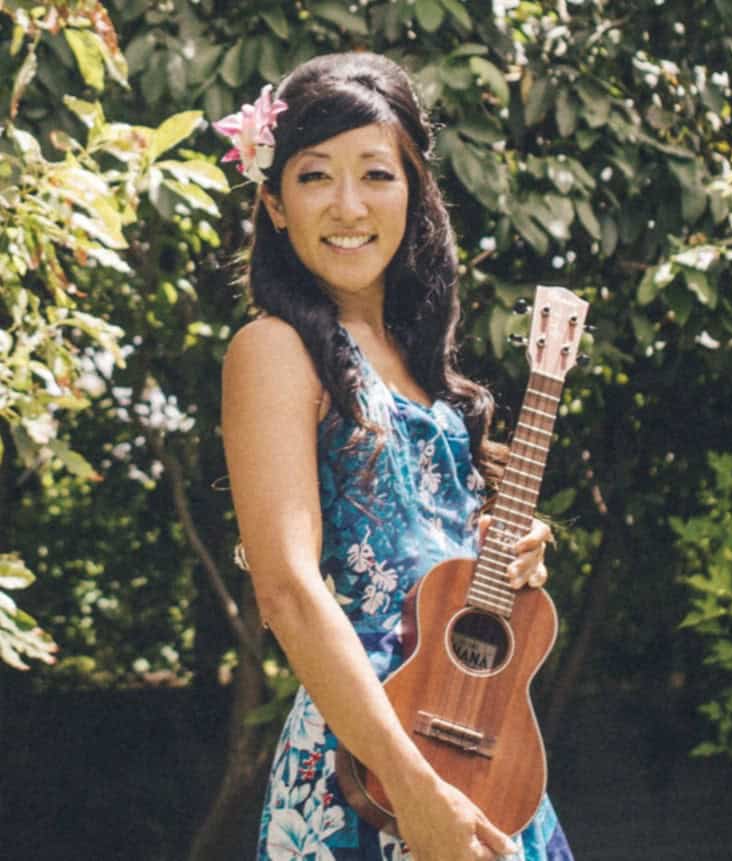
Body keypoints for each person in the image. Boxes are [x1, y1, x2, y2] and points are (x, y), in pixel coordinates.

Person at [218, 52, 574, 861]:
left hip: (482, 761)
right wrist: (413, 789)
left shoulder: (423, 368)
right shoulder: (274, 349)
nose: (348, 206)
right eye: (315, 176)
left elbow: (430, 562)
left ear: (414, 193)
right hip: (370, 767)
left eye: (376, 174)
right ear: (274, 203)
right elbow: (287, 589)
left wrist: (507, 556)